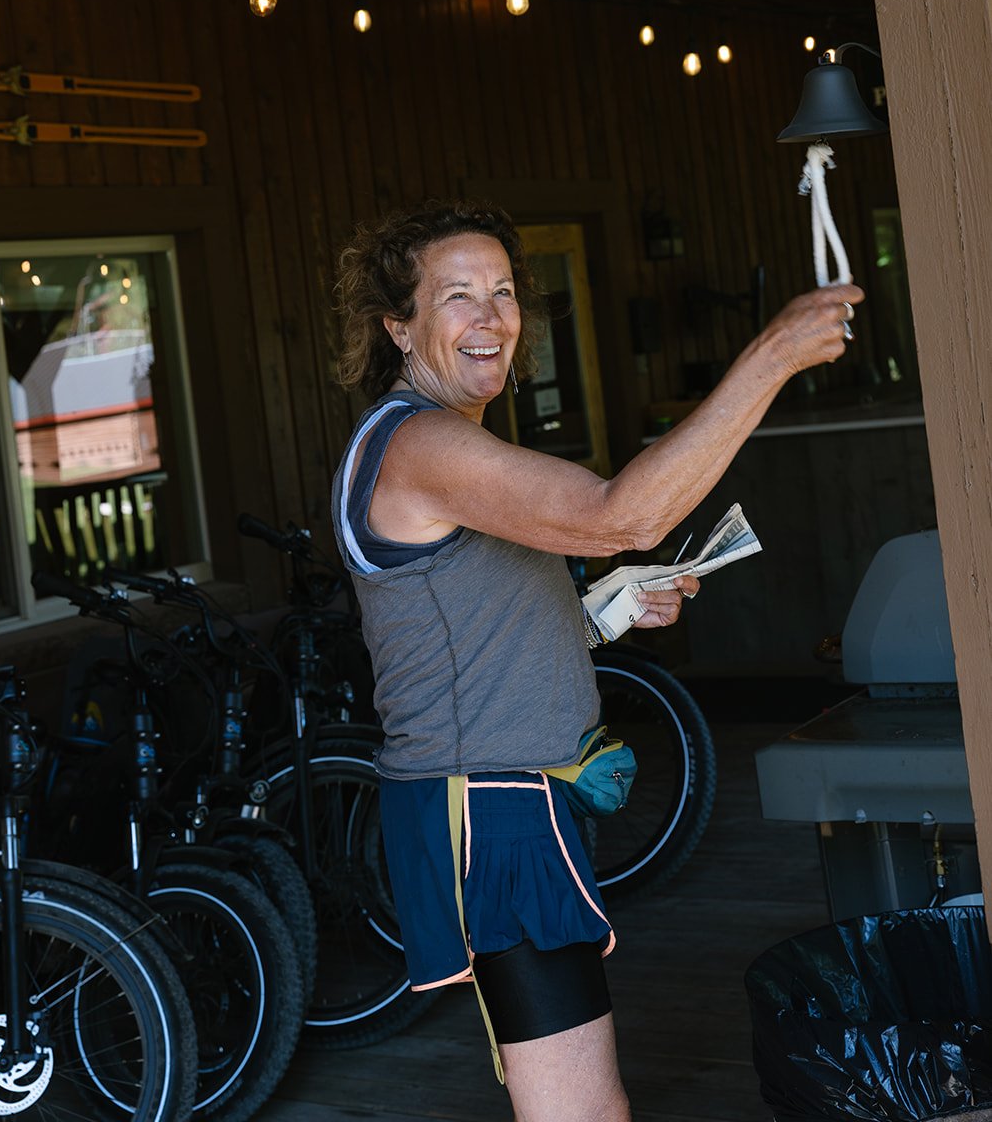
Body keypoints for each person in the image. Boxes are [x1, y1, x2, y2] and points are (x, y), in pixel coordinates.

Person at [331, 199, 862, 1122]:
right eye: (456, 296)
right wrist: (770, 354)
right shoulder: (420, 443)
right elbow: (623, 516)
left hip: (504, 799)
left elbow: (459, 633)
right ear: (397, 326)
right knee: (579, 1112)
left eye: (501, 291)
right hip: (488, 814)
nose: (489, 316)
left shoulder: (445, 440)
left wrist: (597, 615)